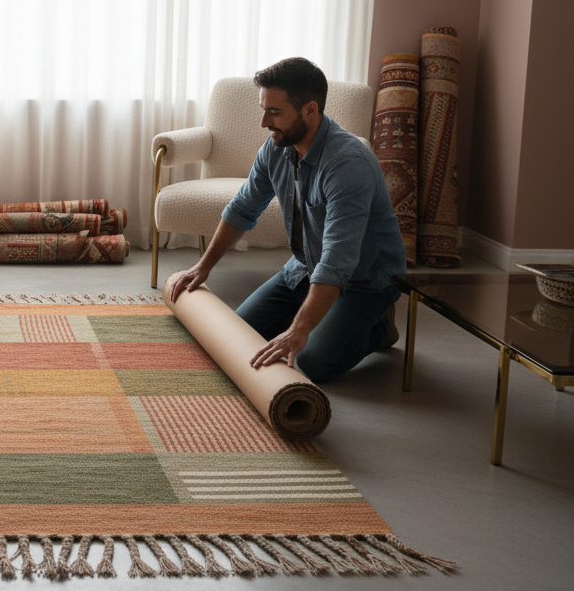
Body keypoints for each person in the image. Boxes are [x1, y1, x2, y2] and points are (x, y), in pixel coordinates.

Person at [167, 57, 406, 383]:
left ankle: (379, 328)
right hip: (305, 267)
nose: (264, 121)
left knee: (311, 362)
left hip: (364, 281)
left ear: (310, 110)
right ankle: (319, 317)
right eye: (263, 109)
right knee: (238, 333)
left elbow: (337, 261)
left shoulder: (347, 164)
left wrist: (299, 330)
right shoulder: (276, 147)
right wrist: (203, 266)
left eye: (274, 112)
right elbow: (242, 209)